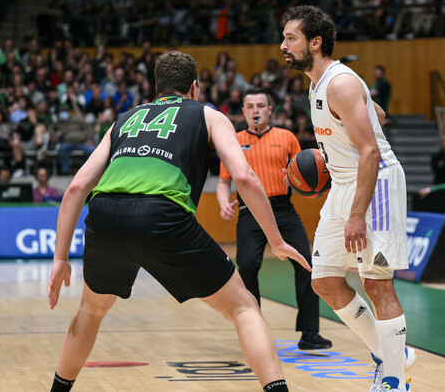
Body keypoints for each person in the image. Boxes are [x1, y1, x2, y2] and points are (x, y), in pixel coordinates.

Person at [47, 51, 309, 392]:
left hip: (105, 215)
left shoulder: (124, 118)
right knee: (244, 307)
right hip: (162, 216)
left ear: (157, 89)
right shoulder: (209, 116)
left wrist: (60, 258)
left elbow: (76, 188)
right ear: (195, 87)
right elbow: (243, 176)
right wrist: (276, 239)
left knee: (91, 311)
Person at [281, 6, 414, 392]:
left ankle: (394, 380)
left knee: (377, 284)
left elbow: (371, 152)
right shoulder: (318, 82)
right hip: (342, 184)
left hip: (376, 187)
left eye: (291, 38)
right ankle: (394, 354)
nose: (283, 45)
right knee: (323, 282)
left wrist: (357, 215)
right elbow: (379, 114)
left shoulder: (339, 83)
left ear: (315, 42)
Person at [216, 88, 331, 350]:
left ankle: (309, 333)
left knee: (306, 264)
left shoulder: (287, 137)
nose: (255, 110)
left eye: (260, 105)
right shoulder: (233, 141)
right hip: (249, 211)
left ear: (270, 110)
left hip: (282, 209)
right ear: (243, 111)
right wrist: (224, 203)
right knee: (246, 266)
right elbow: (224, 182)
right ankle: (255, 331)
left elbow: (303, 174)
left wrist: (292, 178)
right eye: (250, 106)